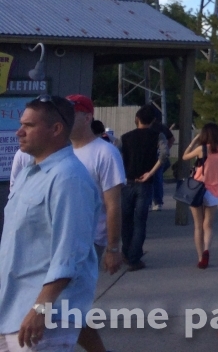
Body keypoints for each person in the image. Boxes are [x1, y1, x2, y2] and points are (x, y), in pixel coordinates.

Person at [0, 96, 100, 352]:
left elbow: (70, 253)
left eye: (29, 126)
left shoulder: (68, 178)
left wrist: (40, 309)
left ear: (56, 130)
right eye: (21, 124)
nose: (19, 132)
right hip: (12, 309)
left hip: (44, 317)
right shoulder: (28, 174)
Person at [63, 95, 124, 352]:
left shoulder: (105, 152)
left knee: (67, 307)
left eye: (71, 114)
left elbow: (113, 204)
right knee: (64, 307)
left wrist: (112, 248)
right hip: (63, 240)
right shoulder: (62, 150)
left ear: (87, 117)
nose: (64, 120)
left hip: (90, 242)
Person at [119, 103, 165, 271]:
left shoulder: (125, 137)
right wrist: (150, 173)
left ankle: (126, 250)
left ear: (136, 119)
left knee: (126, 219)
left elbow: (117, 156)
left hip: (128, 181)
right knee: (140, 221)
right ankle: (135, 256)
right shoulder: (157, 136)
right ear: (153, 120)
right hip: (145, 183)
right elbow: (164, 156)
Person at [182, 122, 218, 268]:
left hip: (197, 188)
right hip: (214, 190)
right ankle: (207, 249)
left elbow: (185, 157)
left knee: (198, 225)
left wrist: (194, 141)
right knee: (208, 225)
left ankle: (201, 257)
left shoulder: (202, 149)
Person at [149, 108, 175, 211]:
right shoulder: (163, 128)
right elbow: (172, 139)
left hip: (150, 155)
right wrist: (166, 149)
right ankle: (158, 202)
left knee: (149, 180)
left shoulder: (149, 127)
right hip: (160, 154)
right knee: (158, 178)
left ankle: (149, 202)